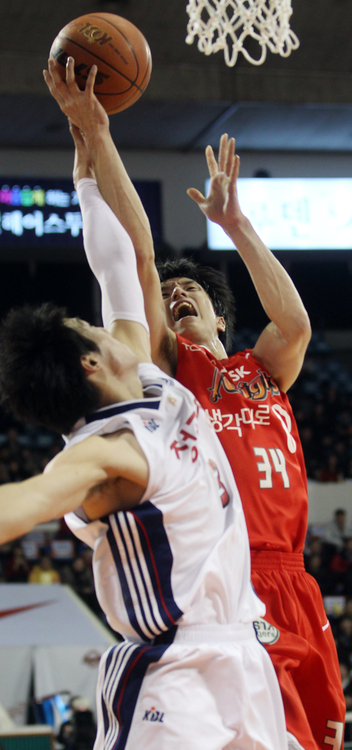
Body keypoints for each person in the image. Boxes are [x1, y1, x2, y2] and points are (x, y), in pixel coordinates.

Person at [43, 57, 346, 750]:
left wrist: (235, 224)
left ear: (222, 322)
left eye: (194, 295)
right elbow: (133, 261)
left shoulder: (263, 372)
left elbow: (295, 325)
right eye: (171, 295)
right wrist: (93, 138)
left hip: (297, 582)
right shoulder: (170, 379)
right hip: (229, 580)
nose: (178, 296)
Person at [0, 174, 286, 750]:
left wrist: (87, 157)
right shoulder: (106, 453)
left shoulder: (153, 384)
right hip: (172, 673)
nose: (106, 325)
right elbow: (28, 501)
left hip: (245, 658)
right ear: (90, 364)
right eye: (90, 329)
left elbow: (118, 265)